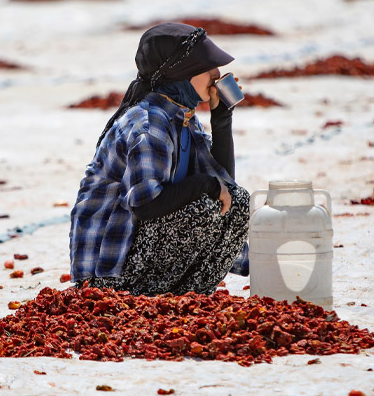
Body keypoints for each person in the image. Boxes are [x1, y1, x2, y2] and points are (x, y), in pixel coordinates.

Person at [69, 23, 249, 296]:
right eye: (207, 67)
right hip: (110, 273)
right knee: (202, 207)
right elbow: (146, 204)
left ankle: (189, 295)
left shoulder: (182, 116)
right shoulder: (149, 123)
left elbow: (226, 187)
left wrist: (221, 120)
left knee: (237, 202)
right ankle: (153, 295)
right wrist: (207, 185)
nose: (216, 74)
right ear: (181, 73)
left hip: (143, 251)